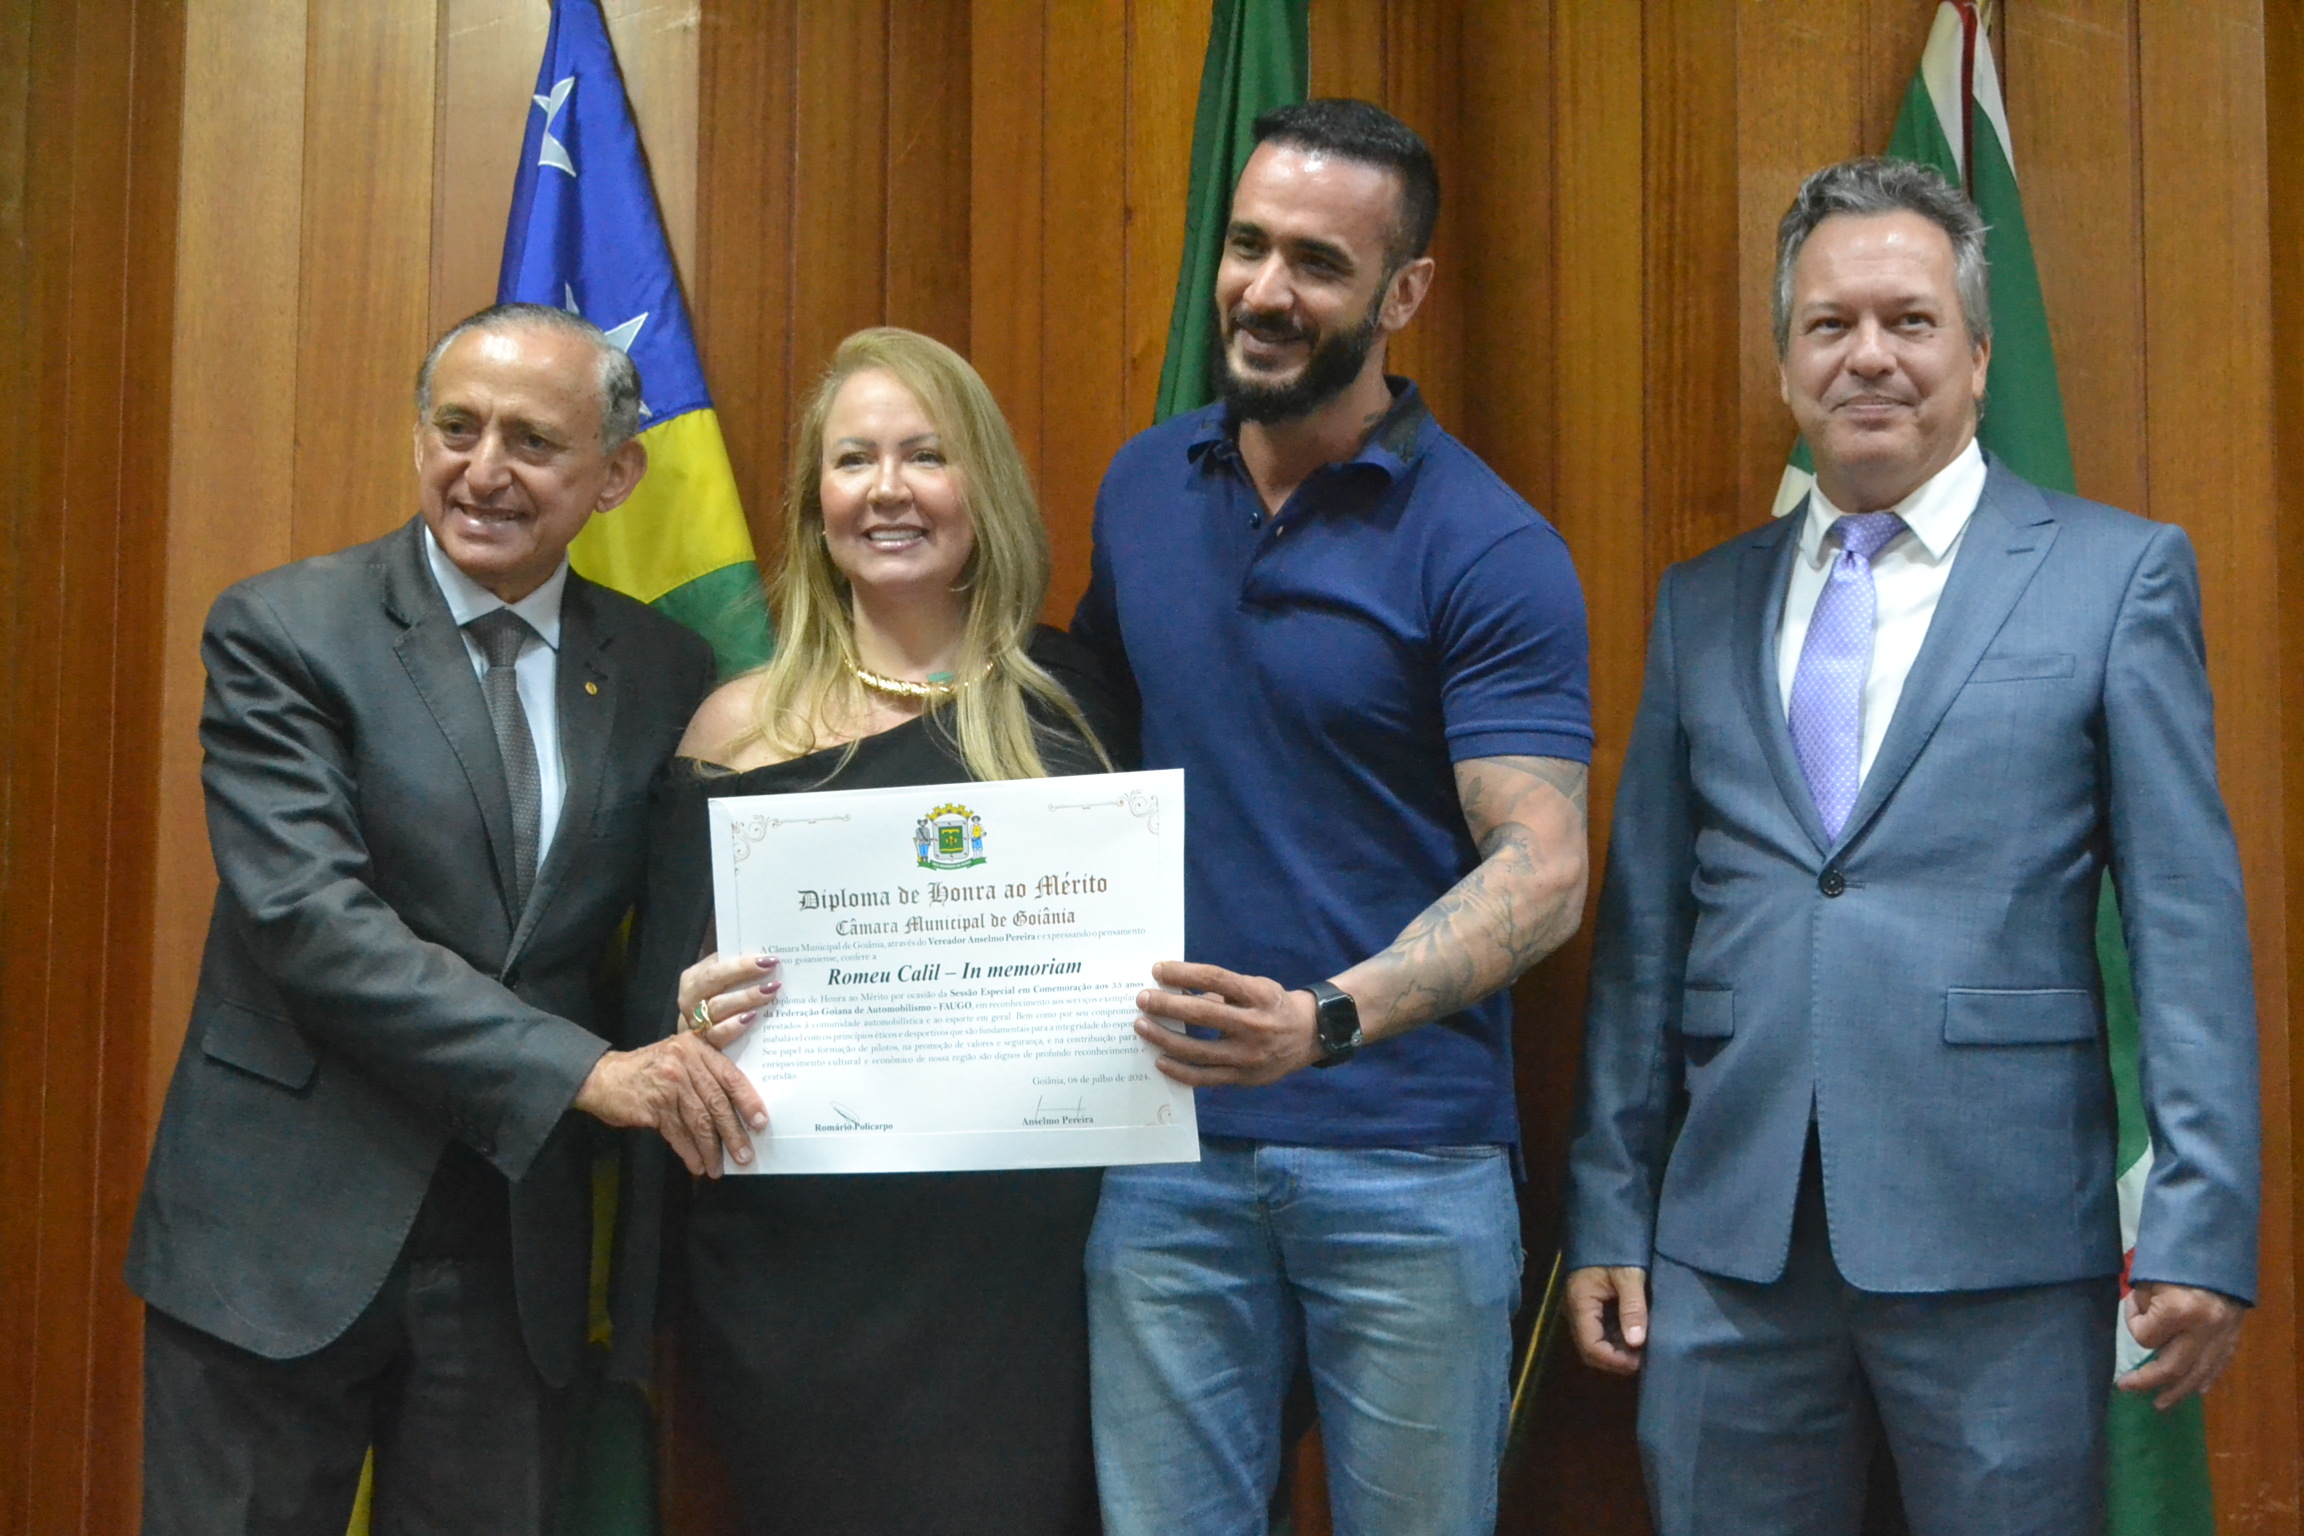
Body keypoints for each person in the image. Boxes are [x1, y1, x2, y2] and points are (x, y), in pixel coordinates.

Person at [1563, 157, 2260, 1536]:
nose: (1869, 356)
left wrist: (2203, 1222)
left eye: (1911, 321)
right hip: (1730, 1246)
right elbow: (1644, 942)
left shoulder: (2114, 578)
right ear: (1785, 365)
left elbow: (2184, 922)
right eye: (1830, 324)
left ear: (1980, 356)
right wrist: (1606, 1206)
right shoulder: (1702, 604)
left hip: (2002, 1239)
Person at [126, 303, 767, 1536]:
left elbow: (662, 935)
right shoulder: (286, 629)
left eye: (533, 441)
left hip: (510, 1250)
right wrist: (589, 1074)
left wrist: (702, 1010)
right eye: (457, 428)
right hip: (276, 1235)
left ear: (615, 477)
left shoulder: (663, 671)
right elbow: (310, 922)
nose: (484, 471)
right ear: (419, 436)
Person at [1069, 99, 1593, 1536]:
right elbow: (1080, 756)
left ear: (1403, 293)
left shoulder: (1488, 546)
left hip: (1407, 1166)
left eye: (1317, 262)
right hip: (1164, 1151)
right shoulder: (1141, 485)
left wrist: (1326, 1022)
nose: (1264, 290)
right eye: (1247, 245)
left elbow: (1545, 869)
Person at [635, 326, 1122, 1535]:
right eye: (854, 460)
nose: (888, 489)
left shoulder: (1079, 709)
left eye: (926, 455)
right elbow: (652, 1021)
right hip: (798, 1277)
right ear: (817, 503)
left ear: (982, 488)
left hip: (1023, 1280)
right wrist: (691, 1019)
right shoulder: (734, 729)